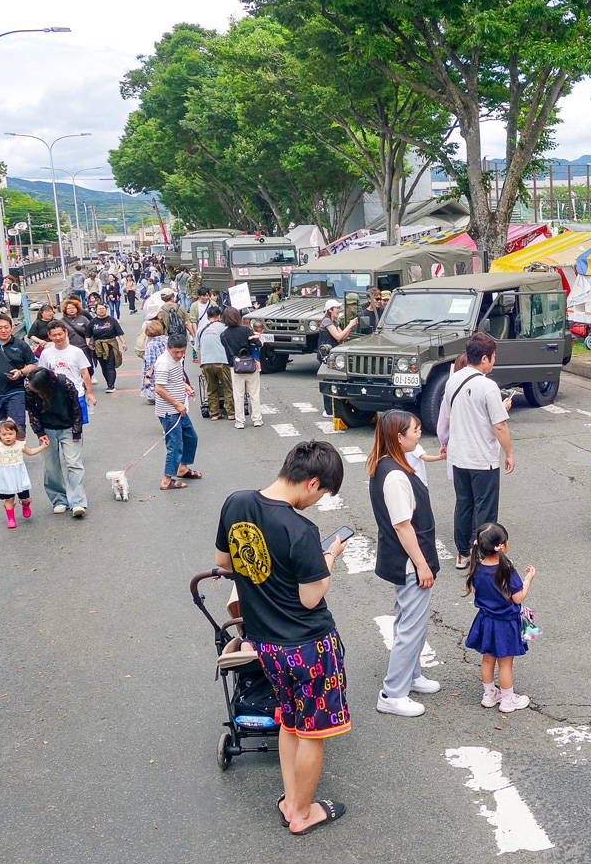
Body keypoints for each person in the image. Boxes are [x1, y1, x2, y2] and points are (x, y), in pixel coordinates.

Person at [214, 440, 350, 834]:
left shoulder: (235, 503)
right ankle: (304, 814)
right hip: (309, 645)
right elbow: (310, 597)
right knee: (314, 731)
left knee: (289, 720)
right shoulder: (300, 528)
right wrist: (329, 558)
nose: (319, 500)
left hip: (266, 644)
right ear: (311, 483)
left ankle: (292, 802)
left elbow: (223, 562)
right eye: (323, 492)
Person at [367, 410, 441, 717]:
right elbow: (402, 526)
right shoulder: (395, 474)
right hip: (410, 561)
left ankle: (411, 676)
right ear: (399, 436)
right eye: (415, 430)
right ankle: (393, 692)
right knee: (411, 626)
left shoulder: (388, 464)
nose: (419, 435)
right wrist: (422, 565)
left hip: (407, 559)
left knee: (409, 621)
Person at [440, 333, 515, 569]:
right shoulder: (487, 386)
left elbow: (451, 417)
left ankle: (462, 553)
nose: (494, 361)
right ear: (484, 358)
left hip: (458, 456)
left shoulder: (452, 381)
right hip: (483, 458)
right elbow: (499, 425)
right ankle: (483, 555)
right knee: (485, 507)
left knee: (464, 503)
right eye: (493, 357)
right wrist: (509, 454)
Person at [463, 521, 536, 712]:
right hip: (506, 623)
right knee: (505, 663)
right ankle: (508, 699)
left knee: (487, 659)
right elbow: (518, 597)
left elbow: (478, 590)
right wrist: (528, 581)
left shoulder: (477, 568)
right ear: (502, 546)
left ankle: (489, 694)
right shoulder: (507, 571)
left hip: (486, 621)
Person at [25, 367, 86, 517]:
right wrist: (39, 432)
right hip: (47, 429)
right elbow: (32, 411)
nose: (34, 390)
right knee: (50, 466)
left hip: (68, 428)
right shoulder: (30, 388)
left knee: (73, 463)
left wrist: (77, 430)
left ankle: (77, 502)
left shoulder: (65, 383)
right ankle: (59, 500)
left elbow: (76, 408)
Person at [152, 332, 201, 491]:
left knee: (191, 437)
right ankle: (167, 480)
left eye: (182, 351)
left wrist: (184, 385)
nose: (179, 355)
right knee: (175, 445)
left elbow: (176, 376)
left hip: (178, 409)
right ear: (168, 348)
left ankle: (182, 469)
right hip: (169, 411)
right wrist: (177, 404)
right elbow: (159, 389)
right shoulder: (164, 363)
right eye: (176, 352)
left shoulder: (176, 360)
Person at [0, 418, 47, 528]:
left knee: (24, 497)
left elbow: (30, 452)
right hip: (5, 476)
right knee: (9, 498)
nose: (8, 437)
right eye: (4, 434)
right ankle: (11, 519)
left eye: (11, 434)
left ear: (16, 433)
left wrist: (42, 446)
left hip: (19, 475)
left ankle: (26, 504)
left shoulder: (20, 445)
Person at [39, 321, 95, 423]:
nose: (58, 337)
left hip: (77, 393)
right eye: (54, 335)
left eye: (60, 334)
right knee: (60, 425)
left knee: (77, 426)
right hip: (55, 395)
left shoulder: (77, 351)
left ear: (66, 332)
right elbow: (43, 375)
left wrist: (89, 393)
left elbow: (85, 373)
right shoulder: (45, 353)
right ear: (49, 336)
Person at [221, 306, 263, 428]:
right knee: (254, 393)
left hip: (235, 366)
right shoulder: (245, 330)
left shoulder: (224, 335)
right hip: (251, 365)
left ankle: (240, 421)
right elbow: (258, 344)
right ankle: (257, 419)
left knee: (238, 394)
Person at [196, 304, 234, 420]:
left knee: (211, 389)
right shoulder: (224, 328)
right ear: (219, 316)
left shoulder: (200, 329)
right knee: (228, 387)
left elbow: (198, 349)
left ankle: (214, 414)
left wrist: (200, 364)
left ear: (207, 317)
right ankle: (231, 413)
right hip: (222, 361)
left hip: (206, 362)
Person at [89, 302, 127, 393]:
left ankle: (111, 385)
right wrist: (89, 345)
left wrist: (123, 343)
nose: (101, 310)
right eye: (99, 309)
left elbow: (119, 333)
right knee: (103, 366)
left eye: (103, 308)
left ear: (106, 309)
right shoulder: (93, 322)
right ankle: (108, 382)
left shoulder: (112, 320)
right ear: (95, 310)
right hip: (98, 347)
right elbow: (88, 334)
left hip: (111, 345)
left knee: (110, 365)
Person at [59, 297, 94, 379]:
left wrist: (91, 343)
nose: (71, 310)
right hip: (70, 347)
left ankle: (88, 378)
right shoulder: (62, 321)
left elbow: (91, 331)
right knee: (73, 366)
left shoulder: (83, 319)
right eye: (69, 308)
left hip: (84, 347)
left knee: (88, 365)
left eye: (73, 308)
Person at [140, 320, 168, 405]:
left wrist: (147, 377)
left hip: (157, 369)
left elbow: (150, 362)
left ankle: (153, 397)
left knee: (156, 384)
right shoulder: (167, 339)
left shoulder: (151, 344)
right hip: (168, 366)